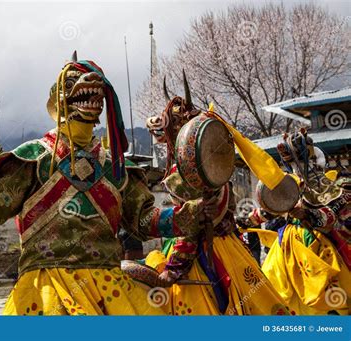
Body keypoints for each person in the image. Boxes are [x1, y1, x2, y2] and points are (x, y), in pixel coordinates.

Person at [0, 53, 218, 315]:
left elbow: (144, 220)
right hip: (44, 290)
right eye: (80, 90)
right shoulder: (32, 158)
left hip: (109, 290)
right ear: (60, 100)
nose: (91, 98)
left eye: (97, 94)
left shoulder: (116, 167)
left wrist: (188, 213)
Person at [143, 72, 291, 315]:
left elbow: (193, 227)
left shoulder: (182, 171)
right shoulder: (211, 165)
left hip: (203, 252)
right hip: (229, 246)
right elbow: (223, 208)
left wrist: (175, 266)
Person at [250, 130, 350, 315]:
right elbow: (269, 210)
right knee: (276, 291)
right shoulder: (293, 186)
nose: (299, 169)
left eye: (303, 163)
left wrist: (308, 215)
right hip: (289, 246)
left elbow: (330, 215)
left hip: (320, 246)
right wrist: (243, 221)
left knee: (329, 296)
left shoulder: (338, 188)